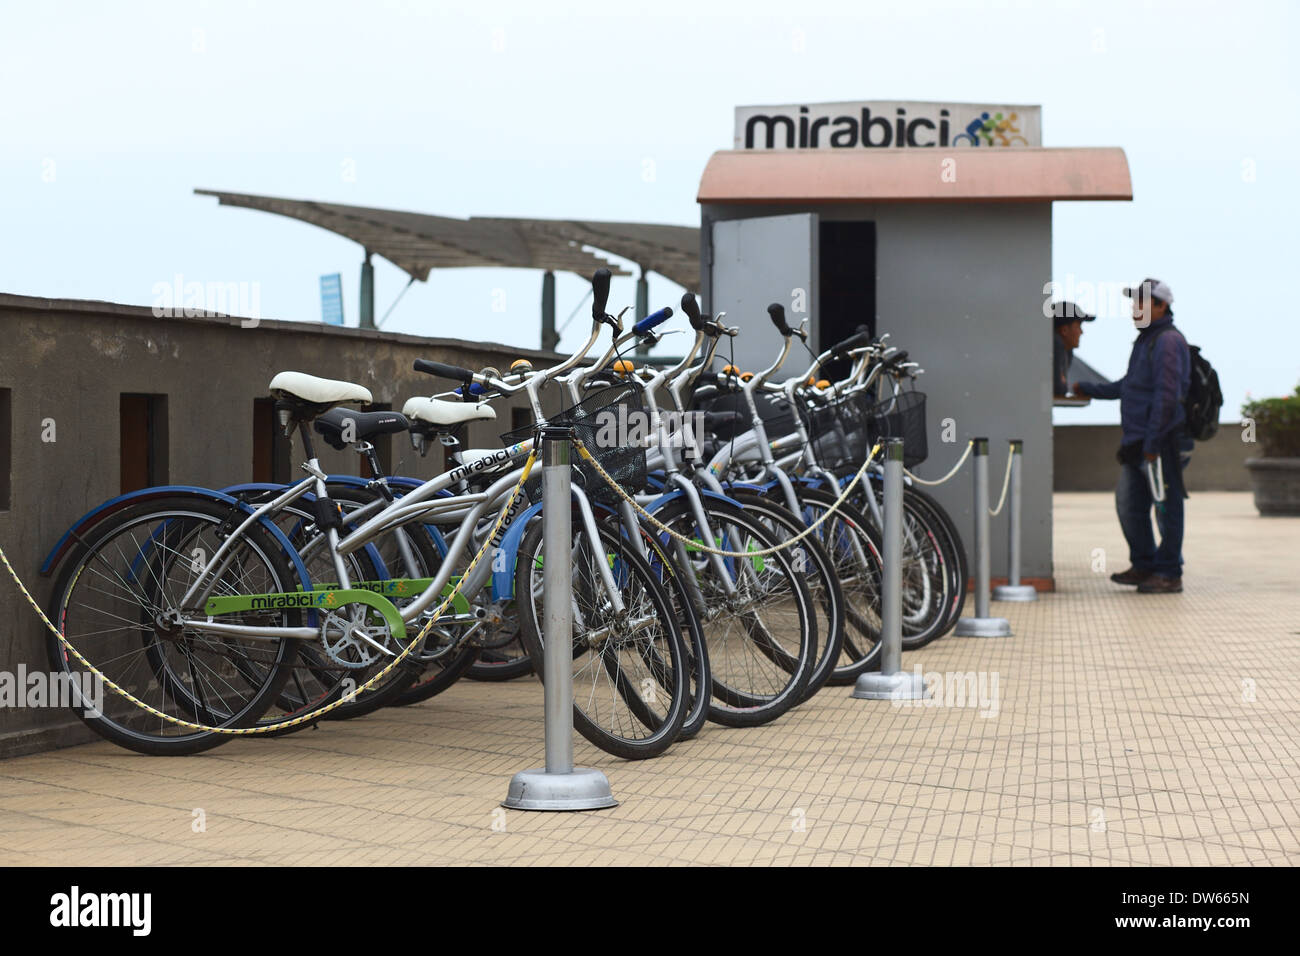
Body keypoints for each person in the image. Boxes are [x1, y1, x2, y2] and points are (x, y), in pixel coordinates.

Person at [1073, 279, 1191, 593]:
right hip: (1138, 444)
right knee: (1129, 506)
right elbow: (1128, 386)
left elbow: (1167, 397)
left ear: (1161, 306)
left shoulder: (1167, 341)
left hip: (1160, 443)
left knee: (1166, 509)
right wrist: (1087, 389)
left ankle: (1168, 573)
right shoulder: (1146, 341)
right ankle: (1145, 565)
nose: (1135, 309)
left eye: (1142, 303)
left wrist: (1152, 445)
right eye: (1133, 303)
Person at [1051, 300, 1094, 398]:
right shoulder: (1056, 345)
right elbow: (1058, 389)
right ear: (1065, 330)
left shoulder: (1067, 351)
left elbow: (1061, 387)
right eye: (1078, 326)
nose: (1081, 332)